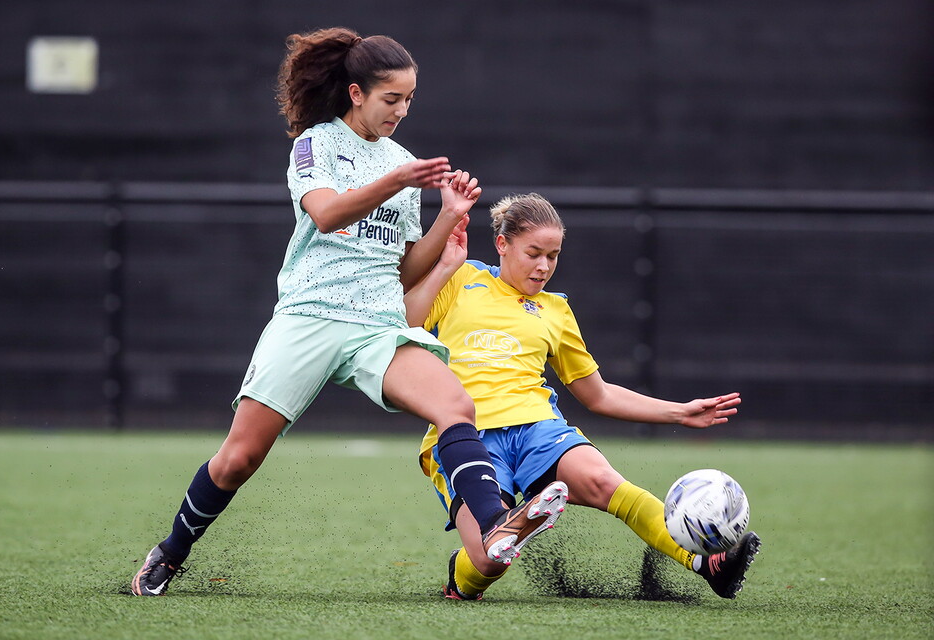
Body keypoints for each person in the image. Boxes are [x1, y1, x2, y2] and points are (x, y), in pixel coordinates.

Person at [131, 29, 566, 597]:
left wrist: (447, 218)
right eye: (392, 99)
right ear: (356, 93)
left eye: (410, 100)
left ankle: (492, 527)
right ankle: (170, 552)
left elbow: (404, 271)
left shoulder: (405, 165)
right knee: (238, 459)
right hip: (310, 314)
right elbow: (328, 215)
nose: (402, 110)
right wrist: (395, 180)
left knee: (456, 404)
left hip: (377, 326)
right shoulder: (316, 145)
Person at [404, 193, 761, 601]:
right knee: (489, 559)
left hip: (537, 428)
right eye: (533, 253)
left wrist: (679, 413)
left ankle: (704, 564)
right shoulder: (461, 280)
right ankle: (461, 573)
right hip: (466, 436)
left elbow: (599, 394)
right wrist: (445, 266)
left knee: (604, 481)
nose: (543, 267)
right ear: (502, 244)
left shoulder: (555, 310)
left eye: (553, 256)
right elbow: (405, 322)